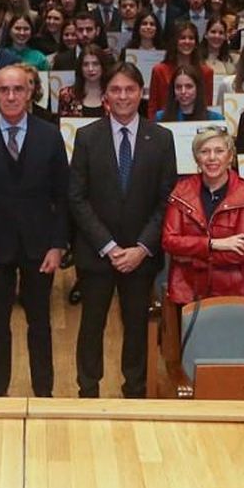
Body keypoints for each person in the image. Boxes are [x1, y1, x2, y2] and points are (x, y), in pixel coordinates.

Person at [67, 63, 178, 398]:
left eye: (130, 89)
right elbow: (76, 197)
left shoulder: (161, 138)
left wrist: (142, 247)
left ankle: (135, 390)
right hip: (98, 253)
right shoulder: (87, 137)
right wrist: (109, 246)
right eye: (115, 90)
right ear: (105, 96)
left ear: (141, 93)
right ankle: (88, 389)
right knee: (91, 326)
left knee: (136, 328)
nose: (123, 96)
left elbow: (167, 199)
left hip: (140, 256)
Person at [0, 66, 69, 397]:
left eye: (18, 89)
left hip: (40, 247)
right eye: (4, 90)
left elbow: (64, 196)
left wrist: (58, 245)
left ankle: (44, 394)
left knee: (40, 324)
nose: (11, 96)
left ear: (30, 93)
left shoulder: (49, 135)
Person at [161, 127, 244, 304]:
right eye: (204, 151)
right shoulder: (181, 191)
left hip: (232, 291)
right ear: (196, 158)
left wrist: (190, 257)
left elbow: (239, 253)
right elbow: (169, 241)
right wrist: (214, 244)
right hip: (188, 291)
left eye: (219, 151)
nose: (212, 157)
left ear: (230, 157)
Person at [147, 21, 213, 117]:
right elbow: (153, 105)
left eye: (191, 38)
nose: (187, 41)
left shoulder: (207, 72)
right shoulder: (159, 70)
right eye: (182, 38)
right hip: (165, 123)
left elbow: (208, 105)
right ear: (175, 41)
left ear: (196, 43)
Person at [156, 65, 221, 123]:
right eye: (178, 87)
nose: (183, 91)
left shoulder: (215, 119)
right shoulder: (161, 117)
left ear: (198, 88)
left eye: (189, 86)